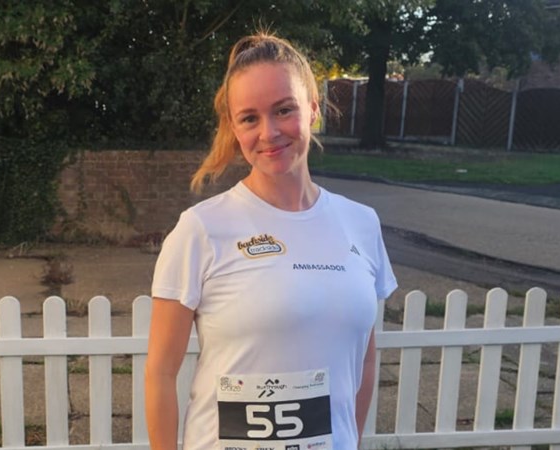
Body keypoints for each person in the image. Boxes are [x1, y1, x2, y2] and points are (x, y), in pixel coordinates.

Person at [144, 31, 398, 450]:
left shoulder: (362, 224)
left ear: (312, 108)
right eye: (249, 118)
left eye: (284, 110)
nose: (270, 132)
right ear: (234, 127)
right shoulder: (201, 229)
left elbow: (364, 360)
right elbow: (160, 373)